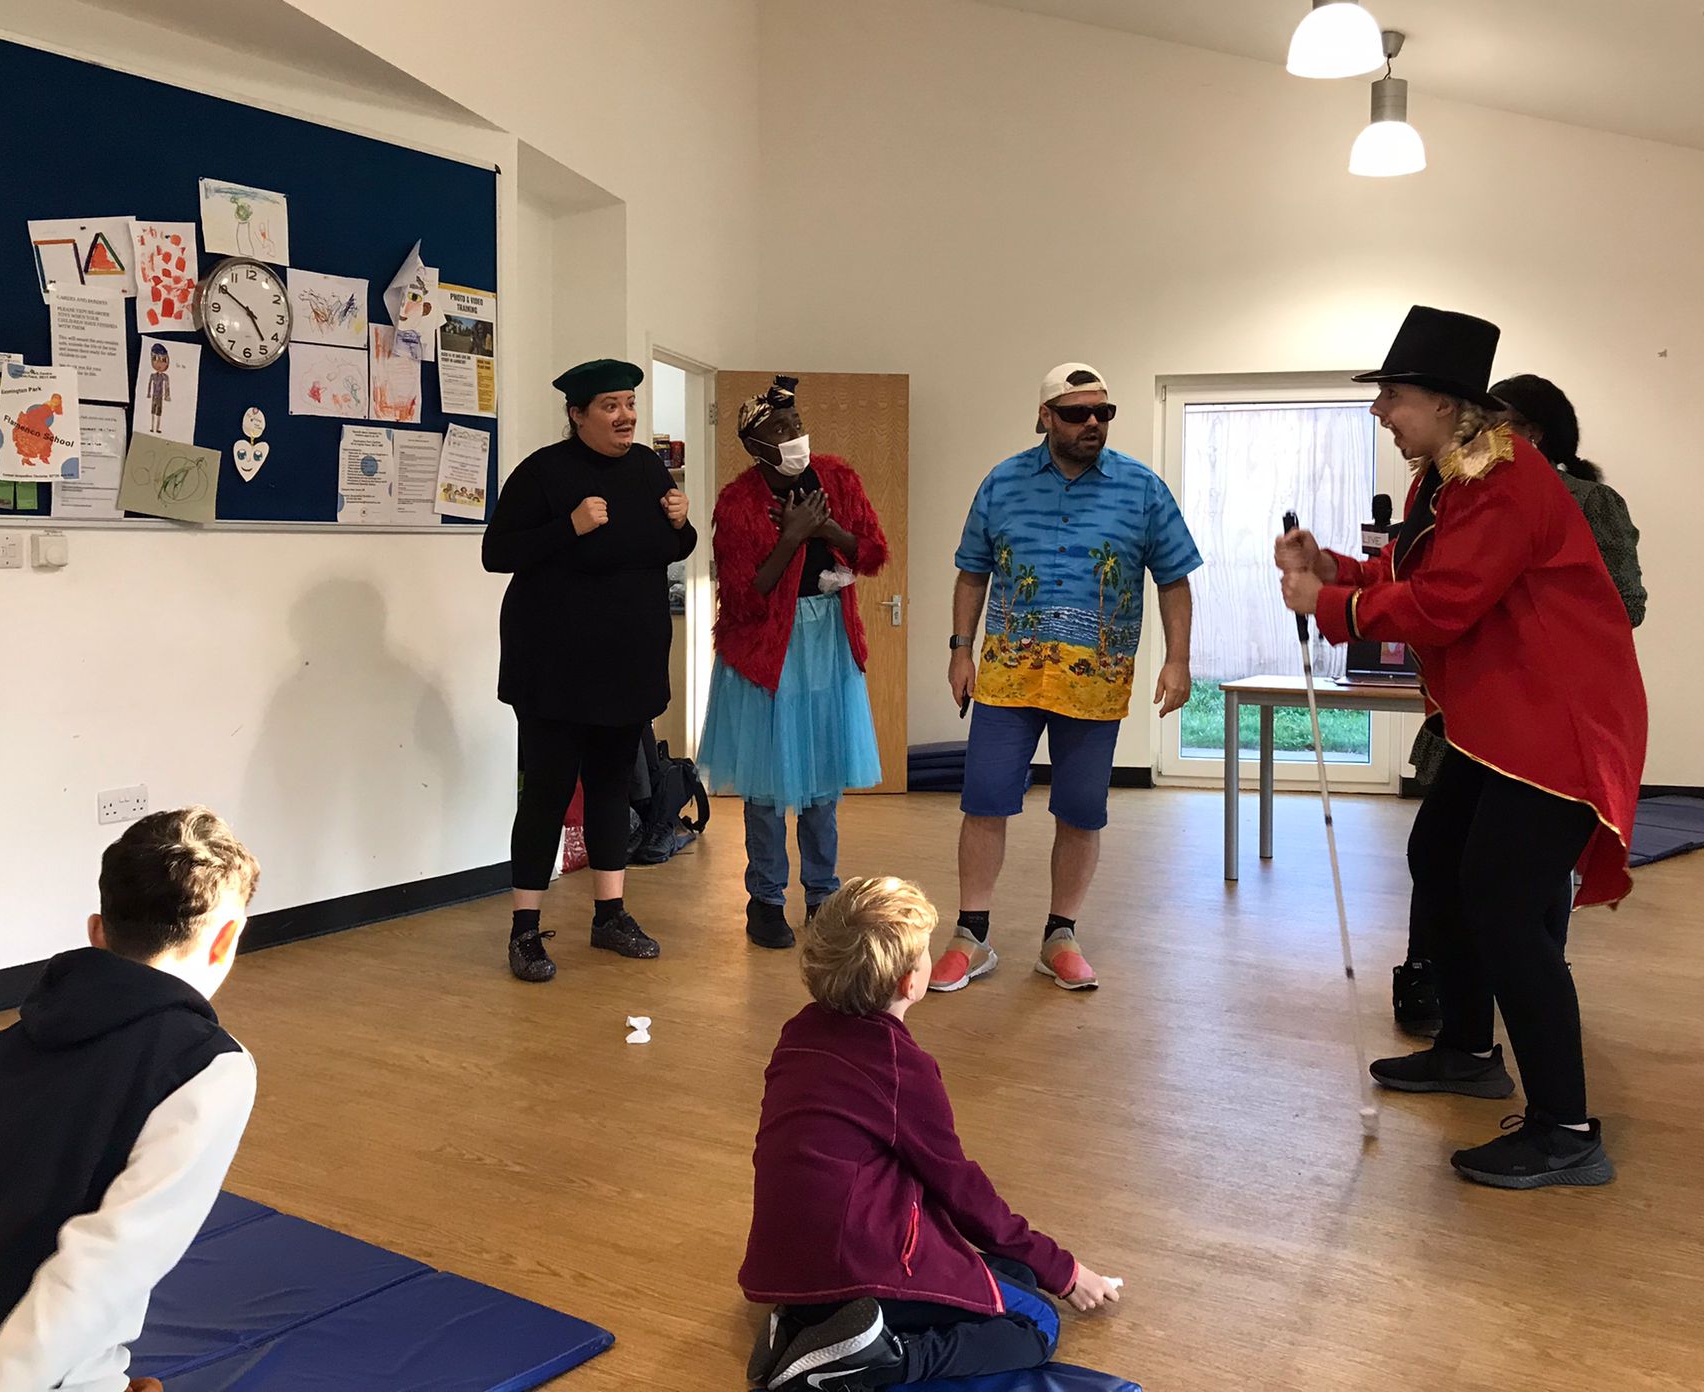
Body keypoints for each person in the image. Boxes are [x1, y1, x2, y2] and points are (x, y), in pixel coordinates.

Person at [1277, 305, 1647, 1189]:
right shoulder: (1446, 477)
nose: (1380, 413)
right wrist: (1335, 568)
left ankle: (1565, 1127)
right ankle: (1469, 1049)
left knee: (1508, 910)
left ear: (1447, 404)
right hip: (1503, 721)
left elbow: (1445, 604)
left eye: (1393, 396)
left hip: (1554, 725)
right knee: (1439, 854)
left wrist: (1326, 608)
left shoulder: (1508, 478)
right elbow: (1415, 571)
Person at [0, 808, 260, 1392]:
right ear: (226, 938)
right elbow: (104, 1269)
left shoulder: (11, 1041)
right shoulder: (214, 1069)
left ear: (97, 931)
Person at [739, 876, 1120, 1390]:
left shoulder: (799, 1031)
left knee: (1017, 1276)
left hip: (783, 1263)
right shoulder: (899, 1066)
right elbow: (961, 1191)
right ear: (909, 982)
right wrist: (1067, 1271)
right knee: (1037, 1322)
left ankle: (811, 1322)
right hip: (854, 1263)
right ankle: (881, 1358)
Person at [1391, 371, 1647, 1036]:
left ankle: (1534, 1044)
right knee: (1444, 858)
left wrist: (1518, 604)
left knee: (1512, 889)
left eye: (1494, 420)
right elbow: (1434, 587)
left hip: (1538, 716)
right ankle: (1453, 1018)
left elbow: (1622, 604)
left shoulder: (1585, 500)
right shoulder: (1455, 486)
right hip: (1471, 712)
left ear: (1529, 434)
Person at [935, 364, 1200, 993]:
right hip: (1008, 677)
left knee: (1081, 810)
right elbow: (973, 571)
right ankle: (971, 936)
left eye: (1103, 414)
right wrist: (960, 650)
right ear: (1046, 417)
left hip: (1094, 682)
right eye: (1078, 414)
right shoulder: (1001, 483)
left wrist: (1179, 659)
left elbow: (1174, 579)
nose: (1092, 425)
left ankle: (1061, 936)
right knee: (985, 799)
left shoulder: (1142, 489)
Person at [482, 358, 696, 983]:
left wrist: (682, 528)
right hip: (553, 667)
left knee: (612, 788)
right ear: (577, 415)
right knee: (547, 794)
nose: (625, 415)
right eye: (610, 405)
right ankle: (525, 930)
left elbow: (666, 550)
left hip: (627, 664)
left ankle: (610, 915)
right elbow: (498, 552)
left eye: (629, 402)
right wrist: (567, 527)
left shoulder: (649, 468)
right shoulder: (545, 472)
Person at [702, 376, 889, 949]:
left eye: (797, 425)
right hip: (762, 653)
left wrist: (824, 528)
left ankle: (823, 897)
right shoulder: (737, 502)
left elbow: (874, 552)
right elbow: (741, 597)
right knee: (765, 786)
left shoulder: (836, 477)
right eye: (779, 431)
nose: (794, 437)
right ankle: (764, 901)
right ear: (755, 447)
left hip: (826, 642)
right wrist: (791, 539)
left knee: (821, 782)